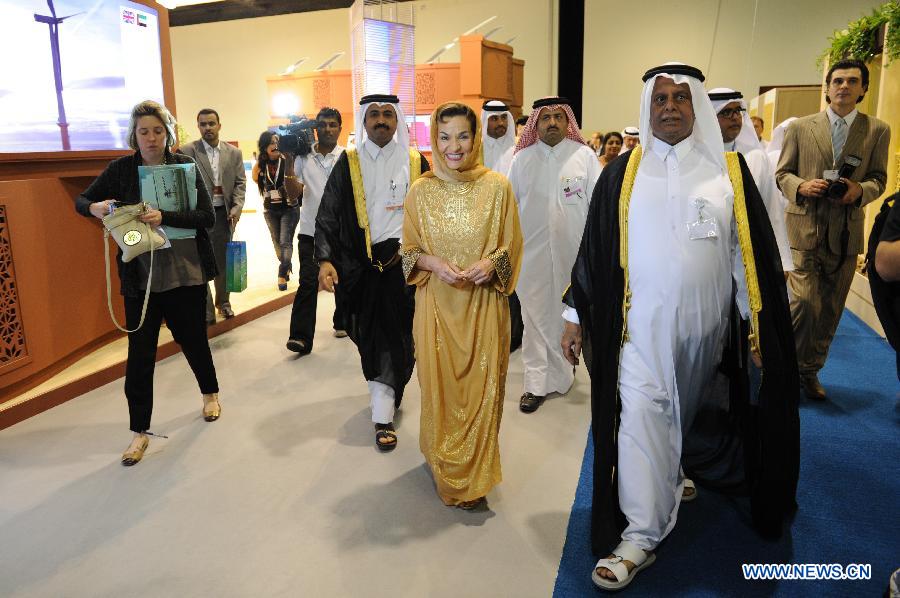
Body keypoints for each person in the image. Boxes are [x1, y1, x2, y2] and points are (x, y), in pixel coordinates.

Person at [561, 63, 799, 590]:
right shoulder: (622, 173)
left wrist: (756, 330)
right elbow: (593, 253)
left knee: (681, 411)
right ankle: (641, 536)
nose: (669, 106)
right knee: (642, 413)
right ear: (648, 107)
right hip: (637, 328)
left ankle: (670, 477)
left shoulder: (726, 174)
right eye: (660, 98)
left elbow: (746, 259)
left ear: (696, 109)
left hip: (706, 334)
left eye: (681, 98)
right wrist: (574, 316)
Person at [75, 100, 222, 466]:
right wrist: (94, 208)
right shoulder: (121, 170)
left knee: (193, 341)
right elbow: (83, 200)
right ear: (134, 135)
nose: (152, 138)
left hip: (184, 272)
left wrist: (166, 215)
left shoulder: (184, 167)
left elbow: (207, 217)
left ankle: (209, 393)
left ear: (168, 133)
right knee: (140, 356)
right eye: (144, 132)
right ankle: (139, 431)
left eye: (158, 131)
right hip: (141, 278)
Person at [401, 101, 523, 509]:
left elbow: (512, 246)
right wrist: (433, 263)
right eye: (445, 136)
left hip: (484, 308)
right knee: (440, 392)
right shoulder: (421, 190)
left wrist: (492, 264)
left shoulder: (497, 188)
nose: (454, 146)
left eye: (463, 135)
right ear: (434, 140)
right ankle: (445, 465)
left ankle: (475, 479)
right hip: (436, 309)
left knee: (482, 391)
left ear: (476, 138)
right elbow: (407, 254)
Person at [315, 93, 430, 451]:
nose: (381, 120)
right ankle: (384, 404)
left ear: (397, 121)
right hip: (360, 266)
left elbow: (432, 213)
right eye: (374, 115)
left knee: (401, 336)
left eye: (388, 115)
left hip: (406, 264)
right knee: (375, 337)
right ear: (364, 121)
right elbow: (328, 213)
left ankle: (386, 398)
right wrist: (325, 260)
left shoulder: (415, 161)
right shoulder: (349, 162)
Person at [775, 58, 890, 400]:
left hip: (845, 231)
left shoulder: (877, 130)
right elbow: (782, 174)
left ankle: (809, 371)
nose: (844, 86)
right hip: (804, 228)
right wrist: (801, 186)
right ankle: (783, 367)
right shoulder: (800, 128)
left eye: (852, 81)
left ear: (863, 89)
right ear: (827, 88)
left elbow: (879, 179)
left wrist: (860, 192)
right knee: (806, 304)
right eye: (837, 81)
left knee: (830, 310)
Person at [507, 96, 600, 413]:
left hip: (574, 257)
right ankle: (535, 383)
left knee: (566, 317)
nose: (551, 122)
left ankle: (562, 375)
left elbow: (598, 208)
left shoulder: (584, 156)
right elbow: (508, 209)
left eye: (558, 117)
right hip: (530, 257)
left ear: (567, 122)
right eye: (544, 117)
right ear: (536, 122)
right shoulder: (522, 160)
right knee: (533, 318)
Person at [709, 88, 792, 272]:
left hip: (747, 256)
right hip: (709, 255)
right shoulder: (698, 158)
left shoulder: (755, 157)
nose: (734, 117)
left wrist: (782, 263)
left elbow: (771, 210)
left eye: (738, 111)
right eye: (726, 112)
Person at [286, 108, 347, 354]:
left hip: (342, 232)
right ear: (316, 128)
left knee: (345, 280)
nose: (328, 129)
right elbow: (292, 194)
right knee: (308, 282)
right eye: (323, 125)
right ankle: (300, 337)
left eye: (333, 124)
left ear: (340, 128)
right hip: (310, 231)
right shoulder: (302, 159)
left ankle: (343, 320)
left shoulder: (348, 157)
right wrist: (289, 160)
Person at [180, 108, 246, 323]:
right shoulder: (187, 151)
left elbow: (240, 183)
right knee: (201, 264)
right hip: (199, 217)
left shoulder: (233, 153)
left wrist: (236, 208)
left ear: (219, 125)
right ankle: (207, 311)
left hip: (224, 216)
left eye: (211, 123)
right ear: (198, 126)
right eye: (203, 124)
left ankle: (223, 303)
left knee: (223, 264)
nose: (207, 128)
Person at [252, 131, 302, 291]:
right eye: (271, 143)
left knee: (285, 241)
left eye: (277, 142)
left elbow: (298, 182)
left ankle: (281, 274)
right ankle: (286, 264)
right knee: (277, 244)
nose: (275, 146)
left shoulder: (288, 161)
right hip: (270, 210)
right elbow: (256, 180)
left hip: (289, 209)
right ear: (264, 147)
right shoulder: (260, 165)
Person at [481, 100, 516, 177]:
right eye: (494, 119)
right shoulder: (477, 150)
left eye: (504, 117)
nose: (501, 123)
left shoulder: (516, 150)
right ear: (485, 121)